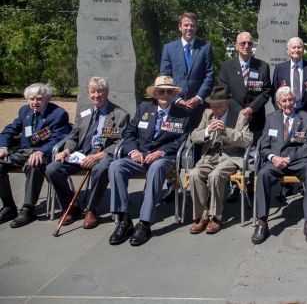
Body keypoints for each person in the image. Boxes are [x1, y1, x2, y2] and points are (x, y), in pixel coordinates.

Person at [108, 76, 191, 246]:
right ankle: (123, 220)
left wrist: (160, 152)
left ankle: (145, 223)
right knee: (116, 166)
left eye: (169, 91)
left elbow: (181, 140)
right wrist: (133, 151)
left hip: (164, 158)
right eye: (161, 91)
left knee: (157, 167)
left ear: (174, 94)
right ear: (155, 93)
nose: (165, 94)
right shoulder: (144, 108)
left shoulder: (182, 114)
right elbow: (129, 133)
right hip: (139, 156)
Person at [46, 77, 130, 229]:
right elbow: (73, 136)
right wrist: (66, 150)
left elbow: (120, 142)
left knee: (101, 168)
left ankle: (91, 209)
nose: (96, 95)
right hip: (81, 153)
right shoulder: (84, 111)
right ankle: (71, 206)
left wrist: (98, 156)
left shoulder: (119, 114)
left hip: (103, 154)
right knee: (52, 169)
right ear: (88, 93)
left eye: (100, 91)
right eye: (93, 92)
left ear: (107, 92)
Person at [251, 87, 307, 245]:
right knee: (262, 174)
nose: (288, 103)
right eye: (284, 100)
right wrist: (273, 157)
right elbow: (264, 146)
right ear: (278, 103)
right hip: (275, 162)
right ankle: (261, 221)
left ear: (295, 100)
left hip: (298, 161)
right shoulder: (271, 119)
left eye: (290, 99)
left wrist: (288, 158)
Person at [0, 83, 69, 227]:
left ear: (47, 98)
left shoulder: (58, 114)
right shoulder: (24, 111)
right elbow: (10, 130)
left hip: (44, 153)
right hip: (23, 151)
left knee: (34, 164)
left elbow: (59, 139)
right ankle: (9, 207)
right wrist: (3, 146)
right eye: (31, 99)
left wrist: (41, 151)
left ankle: (28, 209)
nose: (34, 102)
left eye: (39, 99)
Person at [188, 85, 253, 234]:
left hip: (230, 156)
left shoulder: (239, 116)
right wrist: (207, 131)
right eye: (213, 106)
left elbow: (248, 140)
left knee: (215, 176)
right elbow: (194, 136)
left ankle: (216, 217)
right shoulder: (207, 114)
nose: (215, 109)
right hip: (209, 155)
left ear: (227, 104)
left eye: (218, 106)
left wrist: (225, 132)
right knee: (194, 175)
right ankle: (202, 215)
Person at [218, 31, 272, 143]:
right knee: (234, 155)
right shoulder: (226, 67)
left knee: (255, 154)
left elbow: (266, 91)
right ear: (236, 46)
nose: (246, 46)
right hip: (234, 119)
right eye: (243, 43)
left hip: (256, 119)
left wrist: (251, 109)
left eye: (250, 43)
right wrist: (242, 112)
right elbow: (224, 93)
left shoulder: (262, 66)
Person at [160, 12, 215, 120]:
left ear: (196, 28)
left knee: (198, 136)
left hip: (199, 107)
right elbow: (165, 77)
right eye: (186, 25)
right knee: (173, 136)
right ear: (180, 27)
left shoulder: (205, 48)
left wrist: (198, 98)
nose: (189, 28)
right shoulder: (168, 48)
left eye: (192, 25)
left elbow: (210, 75)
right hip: (175, 106)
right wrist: (176, 99)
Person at [272, 37, 307, 125]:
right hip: (286, 116)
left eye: (299, 47)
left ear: (303, 49)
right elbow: (274, 94)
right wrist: (281, 113)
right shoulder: (280, 69)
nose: (296, 50)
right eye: (293, 47)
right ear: (288, 50)